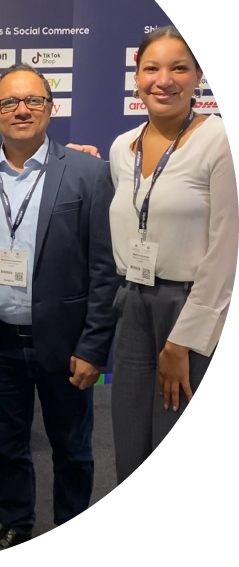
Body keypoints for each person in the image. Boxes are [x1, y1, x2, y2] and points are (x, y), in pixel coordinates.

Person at [0, 62, 121, 551]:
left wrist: (94, 348)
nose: (22, 110)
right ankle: (16, 523)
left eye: (33, 100)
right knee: (7, 446)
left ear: (51, 108)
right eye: (9, 102)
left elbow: (105, 269)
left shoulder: (89, 173)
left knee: (72, 447)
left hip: (66, 345)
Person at [109, 26, 237, 484]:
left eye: (179, 68)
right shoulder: (122, 147)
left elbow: (227, 251)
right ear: (137, 76)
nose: (163, 80)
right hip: (132, 304)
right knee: (128, 439)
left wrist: (184, 341)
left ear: (198, 76)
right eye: (152, 68)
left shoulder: (218, 139)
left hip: (189, 308)